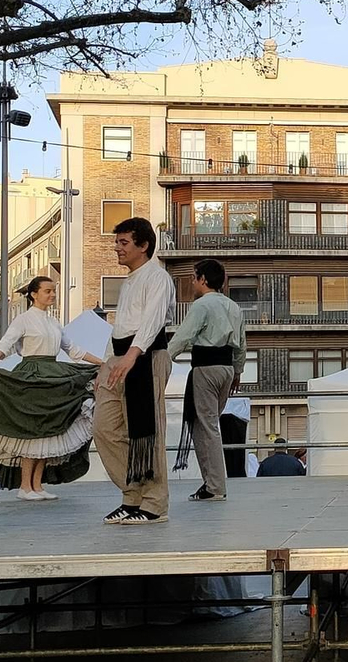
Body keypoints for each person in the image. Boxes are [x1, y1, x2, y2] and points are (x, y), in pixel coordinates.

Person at [0, 276, 103, 502]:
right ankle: (25, 485)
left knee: (50, 428)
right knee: (33, 429)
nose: (52, 295)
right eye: (47, 291)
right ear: (34, 294)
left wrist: (101, 363)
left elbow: (72, 349)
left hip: (52, 373)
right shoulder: (23, 320)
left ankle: (37, 484)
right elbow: (5, 344)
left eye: (53, 291)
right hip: (32, 376)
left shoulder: (53, 322)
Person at [95, 218, 177, 525]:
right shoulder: (129, 281)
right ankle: (132, 494)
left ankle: (154, 503)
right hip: (121, 357)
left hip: (145, 356)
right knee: (104, 428)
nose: (117, 247)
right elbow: (120, 327)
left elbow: (153, 320)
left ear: (143, 246)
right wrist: (106, 366)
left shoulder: (157, 277)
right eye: (117, 242)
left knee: (146, 432)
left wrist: (132, 355)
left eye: (123, 242)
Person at [166, 258, 246, 503]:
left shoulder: (202, 305)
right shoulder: (234, 307)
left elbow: (184, 335)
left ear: (202, 279)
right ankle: (212, 483)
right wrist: (238, 371)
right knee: (207, 425)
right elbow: (242, 343)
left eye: (193, 277)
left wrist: (162, 359)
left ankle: (215, 486)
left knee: (207, 426)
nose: (192, 282)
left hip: (206, 367)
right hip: (226, 368)